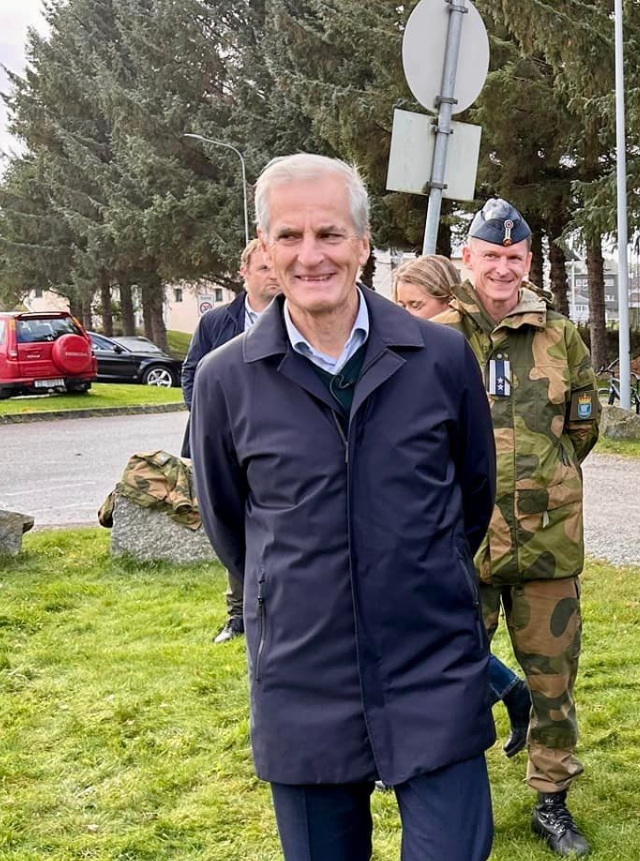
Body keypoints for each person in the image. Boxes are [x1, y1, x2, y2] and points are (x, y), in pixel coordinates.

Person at [191, 153, 497, 861]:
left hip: (433, 665)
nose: (310, 255)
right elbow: (230, 526)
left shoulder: (442, 358)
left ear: (363, 244)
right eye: (289, 237)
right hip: (303, 677)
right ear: (264, 249)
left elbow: (472, 498)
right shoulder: (224, 380)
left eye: (329, 234)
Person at [455, 198, 600, 857]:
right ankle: (456, 801)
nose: (503, 268)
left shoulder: (560, 334)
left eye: (515, 258)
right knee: (453, 675)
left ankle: (551, 802)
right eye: (492, 256)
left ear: (528, 262)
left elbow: (584, 424)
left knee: (552, 682)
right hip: (461, 541)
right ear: (469, 258)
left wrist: (548, 473)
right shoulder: (436, 331)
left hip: (548, 541)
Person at [392, 253, 533, 759]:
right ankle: (503, 693)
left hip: (451, 524)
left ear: (448, 303)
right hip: (408, 521)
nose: (407, 316)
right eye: (400, 305)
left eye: (417, 304)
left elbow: (478, 465)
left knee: (438, 633)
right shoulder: (396, 354)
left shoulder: (454, 354)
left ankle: (495, 702)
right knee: (425, 631)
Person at [180, 237, 281, 644]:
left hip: (273, 440)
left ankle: (275, 606)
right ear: (244, 274)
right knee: (230, 520)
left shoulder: (299, 318)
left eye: (276, 268)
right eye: (263, 269)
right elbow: (192, 374)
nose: (273, 275)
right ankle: (238, 615)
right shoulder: (216, 323)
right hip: (227, 441)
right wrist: (211, 420)